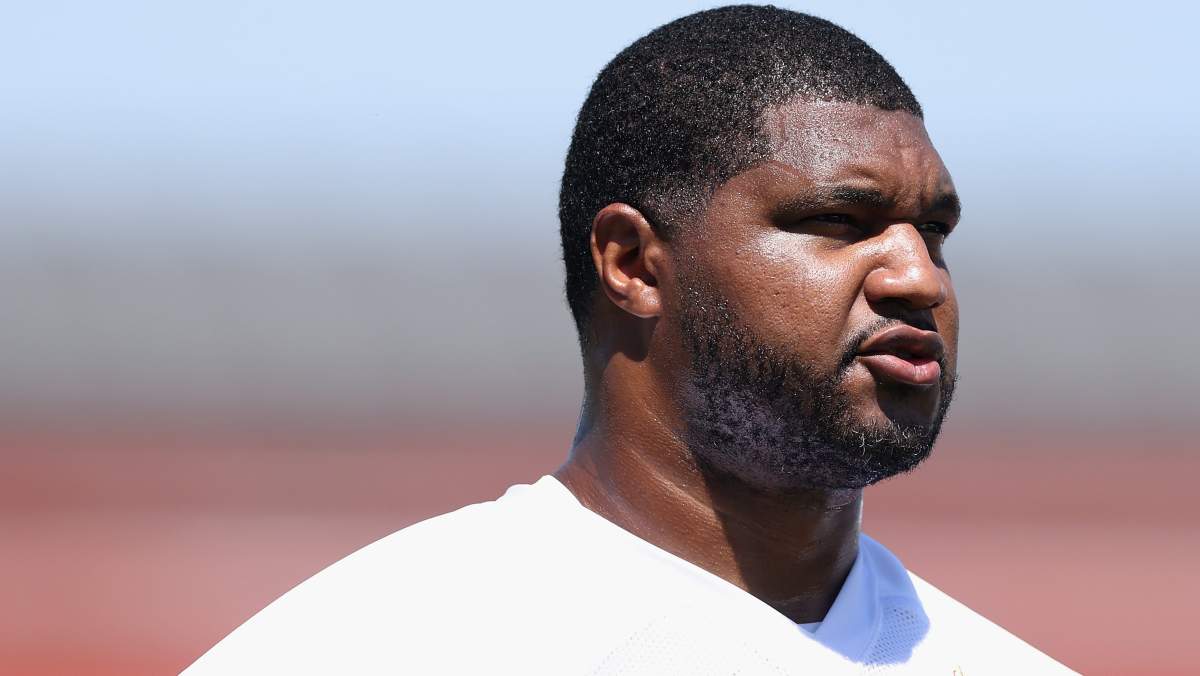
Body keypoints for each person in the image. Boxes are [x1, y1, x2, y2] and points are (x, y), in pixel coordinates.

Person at [186, 5, 1074, 674]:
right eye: (840, 221)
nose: (919, 278)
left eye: (935, 233)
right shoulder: (377, 647)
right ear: (634, 264)